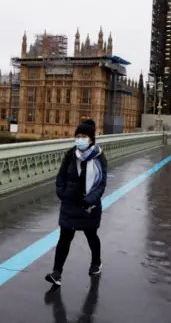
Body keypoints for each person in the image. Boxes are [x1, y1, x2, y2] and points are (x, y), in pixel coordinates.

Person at [46, 119, 107, 286]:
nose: (80, 139)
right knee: (64, 238)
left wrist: (90, 200)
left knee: (91, 235)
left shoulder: (99, 157)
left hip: (89, 206)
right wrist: (62, 193)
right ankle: (57, 273)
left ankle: (96, 262)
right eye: (78, 135)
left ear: (91, 139)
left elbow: (101, 183)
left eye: (84, 136)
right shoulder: (70, 155)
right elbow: (61, 177)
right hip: (70, 204)